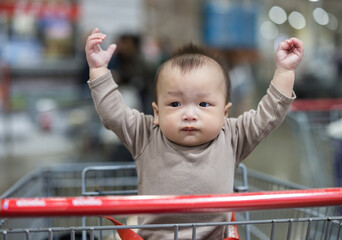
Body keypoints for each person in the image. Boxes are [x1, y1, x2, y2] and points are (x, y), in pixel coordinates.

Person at [85, 28, 304, 240]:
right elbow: (113, 114)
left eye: (204, 103)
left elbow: (269, 115)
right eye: (175, 103)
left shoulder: (232, 136)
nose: (189, 114)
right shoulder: (146, 134)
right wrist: (99, 70)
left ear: (224, 113)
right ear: (157, 113)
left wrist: (284, 72)